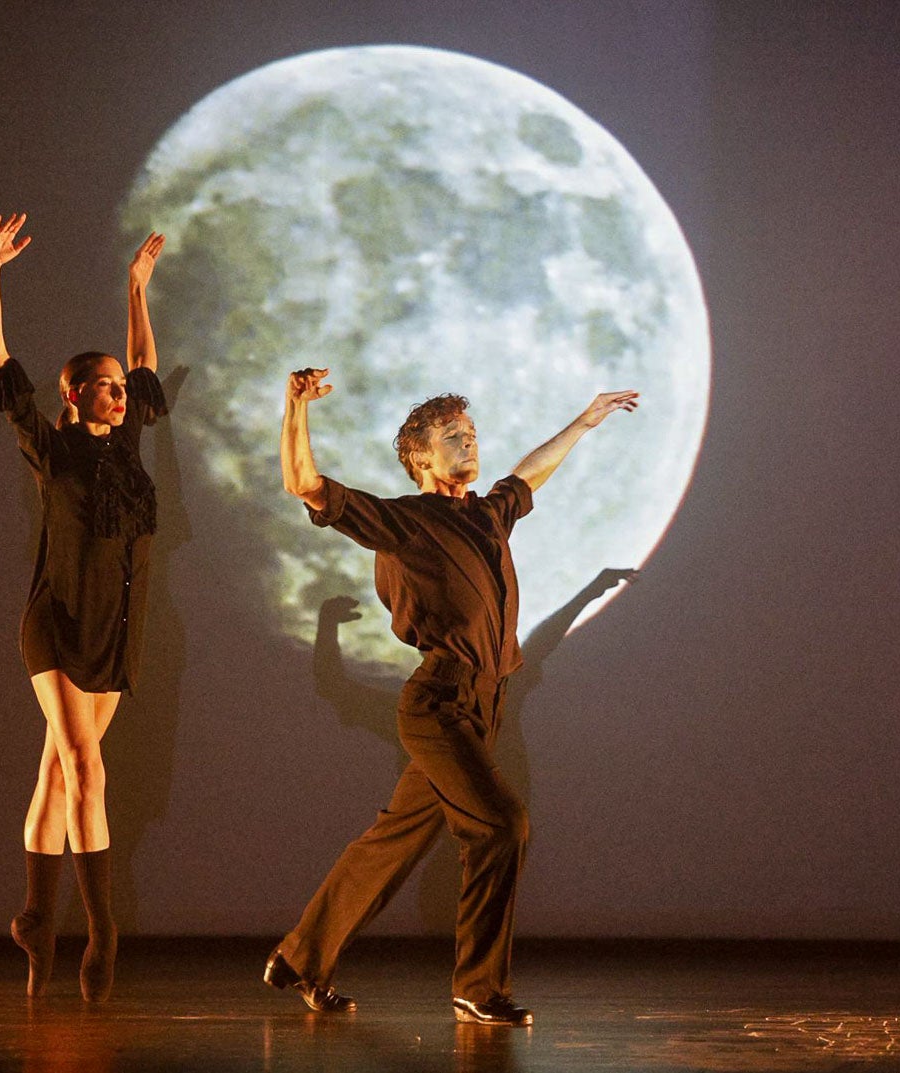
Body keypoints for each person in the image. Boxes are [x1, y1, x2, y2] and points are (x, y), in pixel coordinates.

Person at [267, 367, 638, 1026]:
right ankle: (477, 985)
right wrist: (296, 407)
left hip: (482, 706)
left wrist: (584, 422)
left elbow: (527, 476)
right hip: (437, 704)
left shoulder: (487, 514)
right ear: (420, 456)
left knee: (392, 841)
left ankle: (300, 956)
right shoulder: (407, 520)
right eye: (451, 434)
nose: (468, 440)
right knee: (501, 826)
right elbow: (304, 484)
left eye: (469, 431)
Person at [0, 213, 169, 1002]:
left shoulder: (127, 450)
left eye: (124, 387)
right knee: (86, 764)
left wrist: (136, 289)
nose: (122, 394)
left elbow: (145, 361)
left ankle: (32, 913)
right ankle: (100, 928)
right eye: (106, 385)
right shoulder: (51, 447)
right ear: (74, 392)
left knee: (60, 775)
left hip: (113, 633)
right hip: (54, 623)